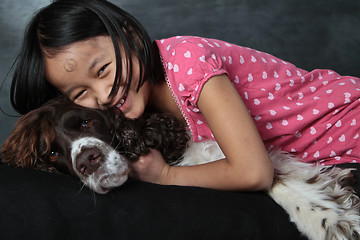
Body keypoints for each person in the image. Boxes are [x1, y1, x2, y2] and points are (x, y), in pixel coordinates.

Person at [9, 0, 360, 191]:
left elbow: (254, 172)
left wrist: (165, 176)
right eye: (81, 92)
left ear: (129, 37)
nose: (103, 94)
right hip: (324, 161)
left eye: (103, 70)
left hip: (349, 122)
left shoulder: (188, 61)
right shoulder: (136, 110)